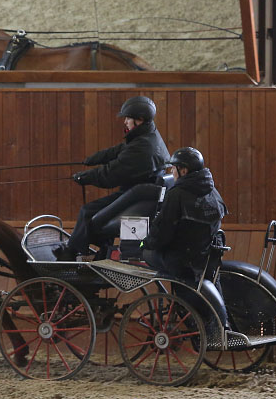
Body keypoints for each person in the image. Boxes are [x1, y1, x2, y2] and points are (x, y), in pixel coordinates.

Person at [55, 95, 170, 260]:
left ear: (139, 120)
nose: (125, 122)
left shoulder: (142, 148)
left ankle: (69, 255)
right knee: (99, 212)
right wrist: (93, 159)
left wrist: (85, 177)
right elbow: (120, 150)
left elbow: (109, 174)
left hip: (137, 198)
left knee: (88, 212)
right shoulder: (149, 135)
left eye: (128, 118)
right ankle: (103, 254)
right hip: (139, 195)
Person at [141, 146, 228, 283]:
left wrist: (144, 243)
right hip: (207, 259)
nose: (172, 172)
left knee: (146, 253)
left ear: (183, 170)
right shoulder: (211, 190)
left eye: (174, 168)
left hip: (183, 261)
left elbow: (162, 232)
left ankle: (176, 292)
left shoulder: (177, 194)